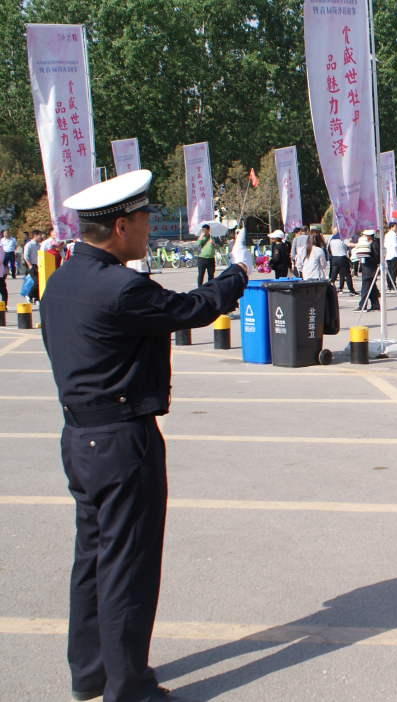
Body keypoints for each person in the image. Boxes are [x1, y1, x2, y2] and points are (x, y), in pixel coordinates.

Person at [42, 170, 249, 702]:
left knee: (92, 558)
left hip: (79, 437)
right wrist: (237, 273)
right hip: (121, 441)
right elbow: (191, 309)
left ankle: (90, 672)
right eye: (143, 219)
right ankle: (129, 688)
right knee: (127, 567)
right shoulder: (121, 287)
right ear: (120, 226)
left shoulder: (61, 279)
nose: (148, 228)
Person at [354, 230, 380, 311]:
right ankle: (375, 305)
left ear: (369, 236)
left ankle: (362, 306)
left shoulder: (373, 244)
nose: (363, 236)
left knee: (365, 288)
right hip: (366, 268)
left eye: (364, 235)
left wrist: (367, 257)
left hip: (370, 269)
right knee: (372, 288)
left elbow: (377, 258)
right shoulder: (366, 244)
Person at [328, 227, 356, 294]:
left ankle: (328, 288)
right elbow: (349, 244)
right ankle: (351, 290)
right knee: (347, 275)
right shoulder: (343, 238)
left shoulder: (332, 239)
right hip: (342, 258)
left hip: (334, 258)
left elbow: (329, 249)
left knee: (333, 275)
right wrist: (358, 245)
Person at [384, 221, 397, 290]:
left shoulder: (386, 235)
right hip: (394, 254)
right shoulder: (393, 234)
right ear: (391, 227)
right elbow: (395, 245)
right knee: (394, 271)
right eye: (395, 227)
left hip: (388, 255)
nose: (396, 228)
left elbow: (385, 245)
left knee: (389, 271)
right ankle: (393, 285)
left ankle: (389, 285)